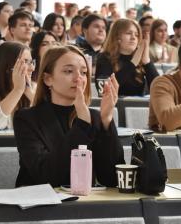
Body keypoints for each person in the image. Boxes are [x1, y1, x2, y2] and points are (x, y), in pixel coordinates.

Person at [13, 45, 124, 187]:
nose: (78, 78)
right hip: (40, 205)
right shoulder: (27, 118)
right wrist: (82, 125)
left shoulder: (95, 117)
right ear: (48, 79)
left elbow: (112, 179)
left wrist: (107, 120)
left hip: (83, 205)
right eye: (69, 71)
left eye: (84, 73)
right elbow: (46, 176)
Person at [95, 19, 158, 96]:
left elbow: (159, 88)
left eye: (136, 35)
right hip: (114, 106)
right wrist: (133, 62)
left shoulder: (142, 59)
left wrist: (147, 61)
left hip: (139, 106)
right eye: (129, 33)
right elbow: (103, 91)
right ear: (117, 36)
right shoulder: (104, 58)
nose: (133, 38)